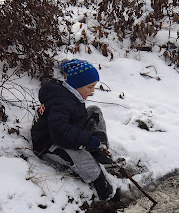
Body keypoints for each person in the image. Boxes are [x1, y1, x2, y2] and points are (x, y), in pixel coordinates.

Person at [31, 59, 116, 201]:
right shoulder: (61, 102)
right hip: (49, 144)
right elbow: (60, 133)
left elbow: (71, 121)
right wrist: (86, 140)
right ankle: (101, 187)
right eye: (90, 87)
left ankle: (100, 149)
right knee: (84, 159)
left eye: (94, 87)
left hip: (65, 132)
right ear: (77, 85)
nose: (93, 91)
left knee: (94, 111)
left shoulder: (71, 95)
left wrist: (91, 141)